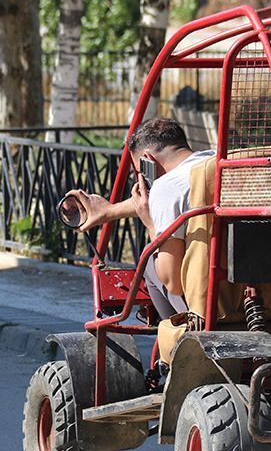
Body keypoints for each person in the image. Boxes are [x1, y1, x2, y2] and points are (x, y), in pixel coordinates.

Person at [61, 118, 214, 319]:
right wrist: (110, 211)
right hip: (249, 299)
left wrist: (151, 224)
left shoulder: (166, 186)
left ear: (147, 159)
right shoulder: (212, 164)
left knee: (150, 260)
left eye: (142, 171)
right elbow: (164, 202)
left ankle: (175, 336)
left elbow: (173, 283)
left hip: (207, 305)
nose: (144, 178)